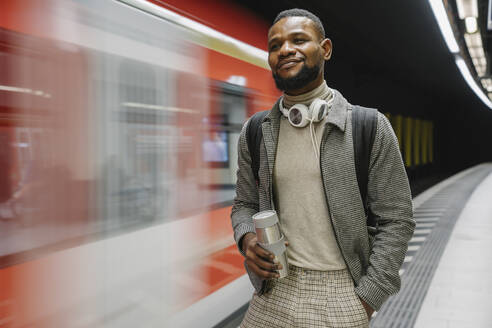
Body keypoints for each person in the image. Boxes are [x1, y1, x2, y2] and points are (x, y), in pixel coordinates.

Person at [231, 8, 415, 328]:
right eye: (275, 46)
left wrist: (367, 299)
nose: (285, 50)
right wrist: (247, 239)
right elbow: (244, 205)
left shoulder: (368, 126)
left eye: (298, 40)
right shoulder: (256, 130)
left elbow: (397, 220)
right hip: (272, 290)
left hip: (341, 293)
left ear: (325, 49)